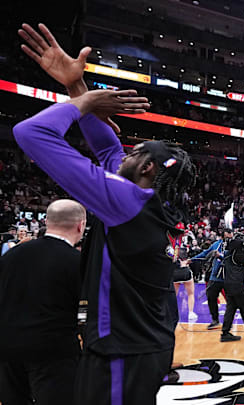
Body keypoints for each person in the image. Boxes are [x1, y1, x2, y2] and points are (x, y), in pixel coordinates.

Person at [15, 23, 197, 404]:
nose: (125, 152)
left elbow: (30, 133)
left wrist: (85, 102)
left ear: (147, 169)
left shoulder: (127, 201)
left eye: (136, 151)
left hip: (123, 351)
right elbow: (106, 148)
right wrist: (74, 85)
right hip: (138, 345)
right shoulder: (146, 200)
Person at [0, 200, 85, 405]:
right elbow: (86, 310)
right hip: (54, 352)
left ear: (47, 221)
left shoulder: (11, 256)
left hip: (8, 349)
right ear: (81, 225)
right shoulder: (77, 261)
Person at [188, 229, 234, 330]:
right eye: (227, 237)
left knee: (232, 301)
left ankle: (229, 322)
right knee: (211, 297)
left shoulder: (234, 245)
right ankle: (215, 320)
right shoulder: (216, 244)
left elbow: (234, 258)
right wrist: (191, 260)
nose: (229, 238)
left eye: (230, 237)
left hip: (229, 277)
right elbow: (205, 254)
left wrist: (221, 256)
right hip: (215, 277)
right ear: (222, 236)